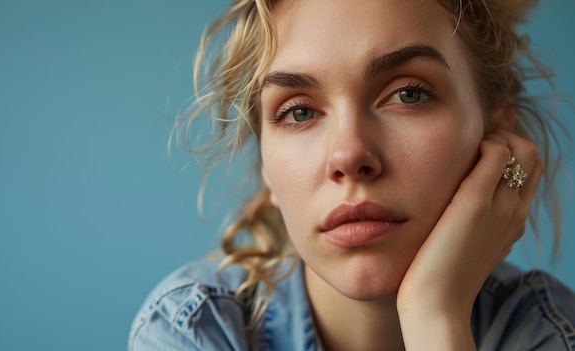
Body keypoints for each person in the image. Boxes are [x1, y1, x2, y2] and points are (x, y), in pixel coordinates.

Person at [129, 0, 575, 349]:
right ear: (265, 164)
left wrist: (435, 315)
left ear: (496, 134)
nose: (349, 154)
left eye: (407, 94)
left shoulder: (542, 330)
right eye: (299, 111)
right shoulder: (195, 329)